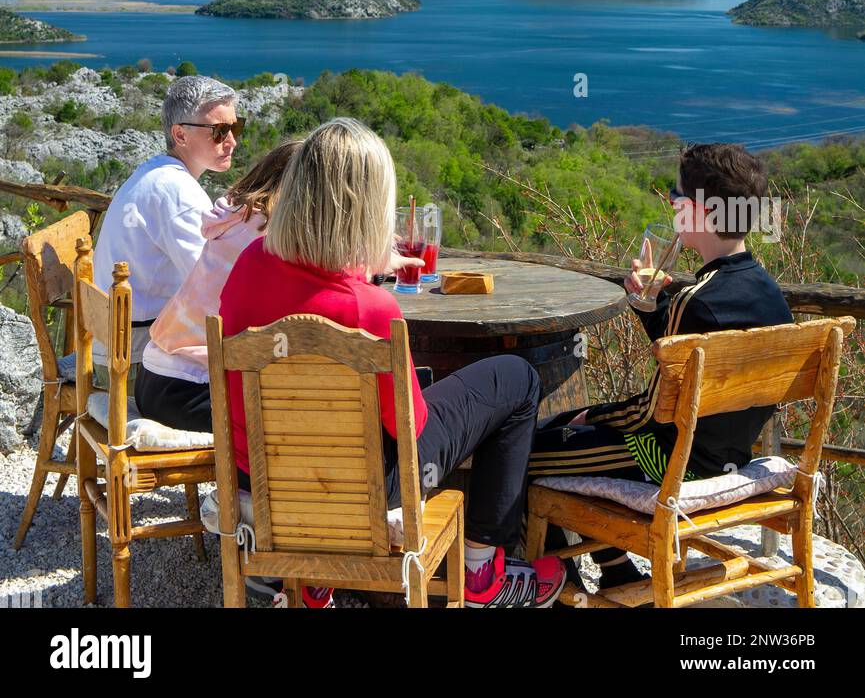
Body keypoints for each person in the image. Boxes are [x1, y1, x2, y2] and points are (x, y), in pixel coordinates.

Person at [219, 116, 567, 608]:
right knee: (515, 379)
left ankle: (316, 578)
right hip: (358, 493)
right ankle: (480, 572)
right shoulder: (369, 311)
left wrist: (358, 266)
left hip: (262, 479)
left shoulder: (250, 263)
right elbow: (409, 426)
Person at [527, 141, 793, 591]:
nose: (671, 202)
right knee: (564, 432)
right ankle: (616, 573)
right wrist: (653, 307)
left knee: (524, 452)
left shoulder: (695, 302)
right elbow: (691, 369)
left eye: (676, 196)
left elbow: (650, 414)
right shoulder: (770, 294)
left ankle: (557, 587)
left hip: (669, 463)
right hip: (728, 457)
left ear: (698, 213)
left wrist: (591, 414)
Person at [135, 138, 304, 432]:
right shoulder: (269, 237)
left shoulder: (241, 218)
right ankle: (251, 479)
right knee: (308, 420)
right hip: (191, 389)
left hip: (156, 376)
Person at [91, 75, 241, 362]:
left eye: (236, 127)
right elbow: (213, 289)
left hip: (115, 342)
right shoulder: (177, 193)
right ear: (180, 135)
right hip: (135, 357)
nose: (232, 141)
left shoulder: (155, 173)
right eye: (220, 131)